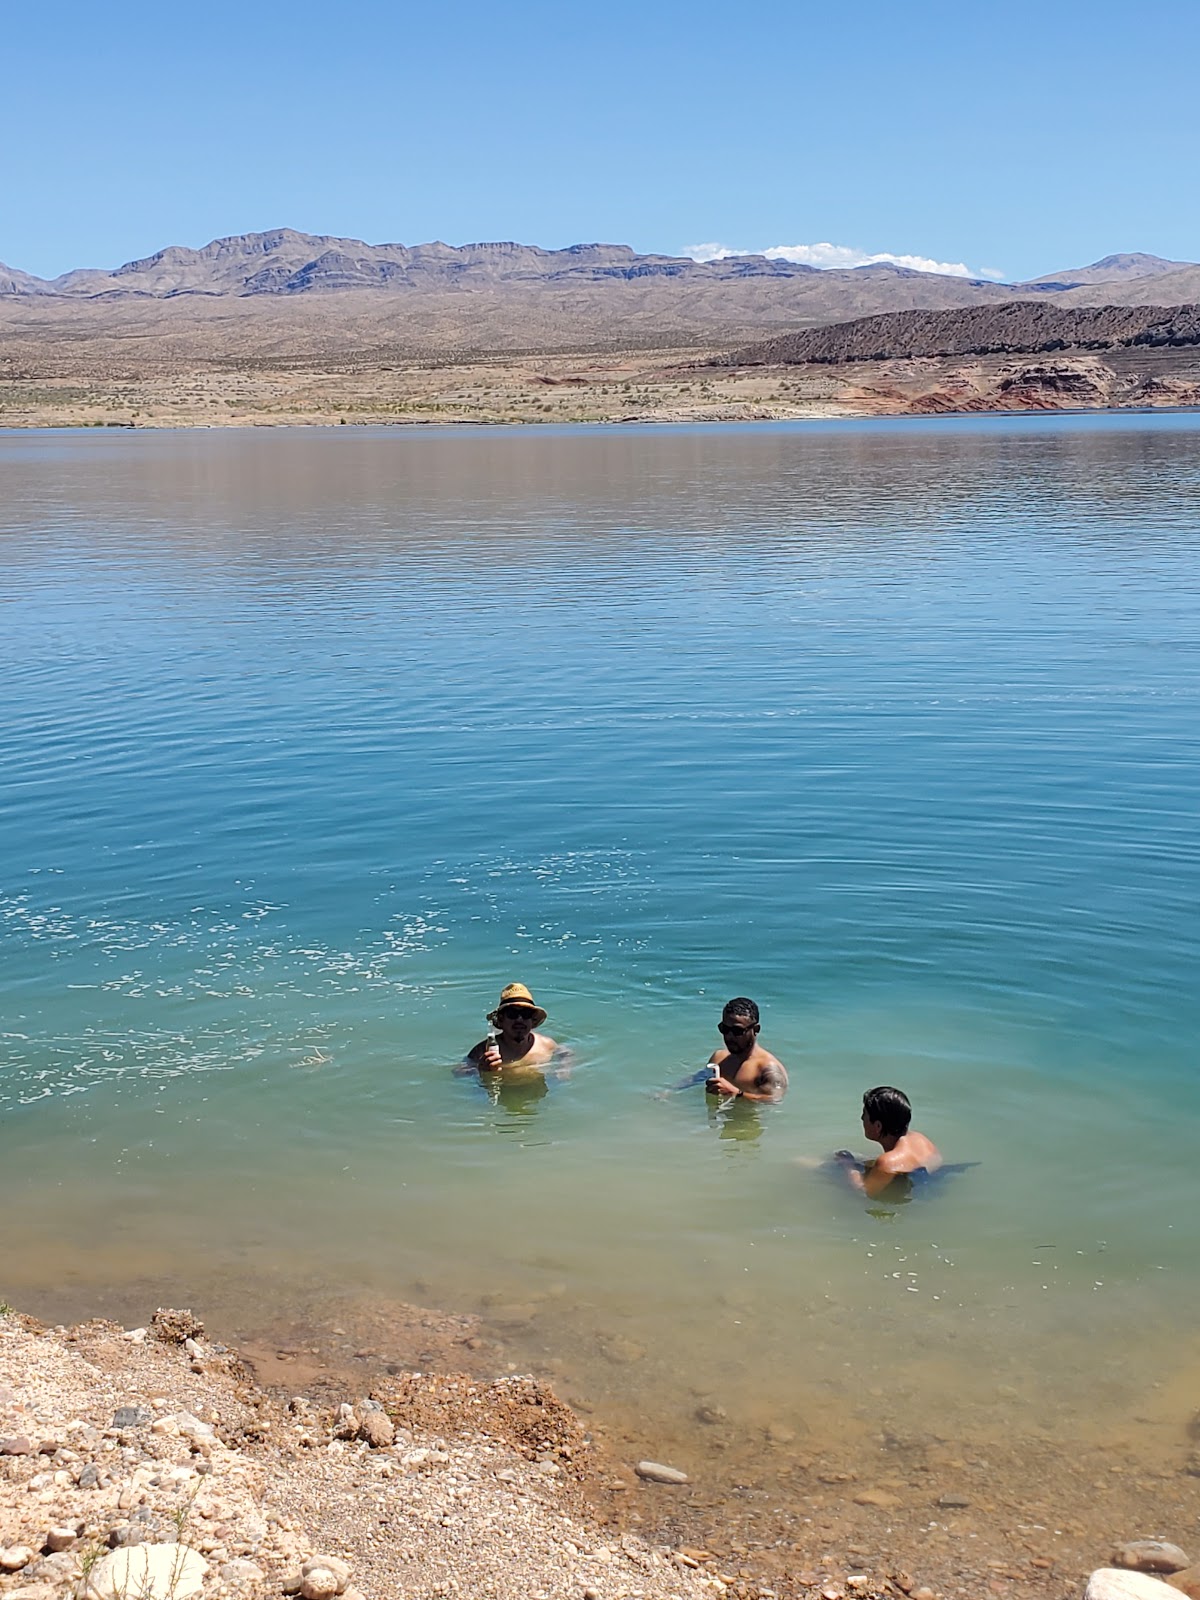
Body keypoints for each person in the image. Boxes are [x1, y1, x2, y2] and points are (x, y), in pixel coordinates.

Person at [836, 1085, 942, 1199]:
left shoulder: (887, 1162)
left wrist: (849, 1165)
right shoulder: (920, 1139)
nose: (862, 1118)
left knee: (836, 1165)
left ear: (878, 1126)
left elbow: (863, 1191)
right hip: (930, 1183)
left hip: (914, 1196)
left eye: (864, 1114)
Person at [704, 997, 788, 1103]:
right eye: (725, 1029)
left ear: (756, 1030)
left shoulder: (767, 1069)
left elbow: (774, 1100)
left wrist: (736, 1093)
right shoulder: (718, 1058)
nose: (729, 1036)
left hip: (748, 1119)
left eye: (737, 1031)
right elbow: (698, 1079)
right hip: (721, 1118)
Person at [463, 983, 560, 1072]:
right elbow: (460, 1072)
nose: (519, 1019)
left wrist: (564, 1070)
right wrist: (481, 1070)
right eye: (512, 1013)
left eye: (526, 1014)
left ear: (532, 1019)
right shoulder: (483, 1051)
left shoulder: (546, 1045)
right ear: (501, 1019)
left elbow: (566, 1054)